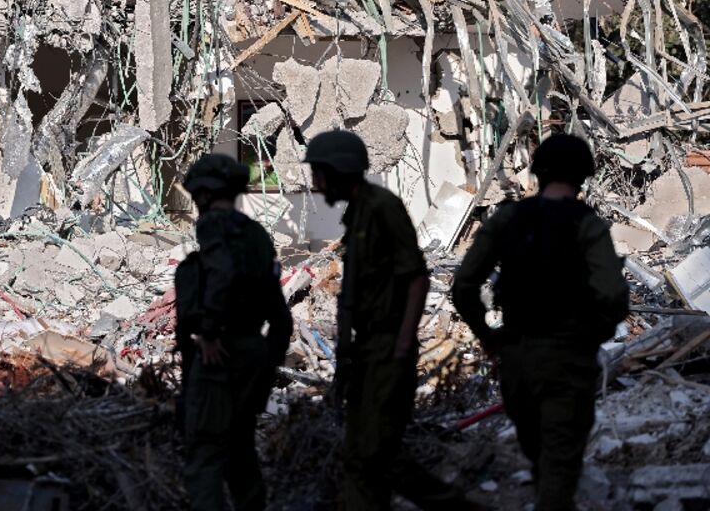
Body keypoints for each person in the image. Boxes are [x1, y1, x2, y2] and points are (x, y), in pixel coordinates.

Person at [453, 134, 628, 511]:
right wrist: (589, 338)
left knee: (538, 455)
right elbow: (614, 297)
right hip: (567, 363)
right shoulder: (587, 225)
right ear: (583, 177)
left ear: (539, 173)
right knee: (559, 467)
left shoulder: (507, 219)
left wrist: (488, 336)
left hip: (517, 359)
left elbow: (465, 285)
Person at [304, 130, 477, 510]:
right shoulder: (358, 213)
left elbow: (416, 276)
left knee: (377, 452)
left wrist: (401, 343)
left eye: (319, 173)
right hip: (366, 349)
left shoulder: (382, 208)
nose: (315, 183)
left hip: (386, 347)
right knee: (361, 453)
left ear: (340, 170)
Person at [175, 153, 292, 511]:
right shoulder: (255, 234)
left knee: (206, 453)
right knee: (240, 448)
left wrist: (209, 333)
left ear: (206, 195)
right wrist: (265, 366)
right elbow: (281, 319)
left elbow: (222, 273)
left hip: (220, 356)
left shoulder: (214, 224)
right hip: (253, 353)